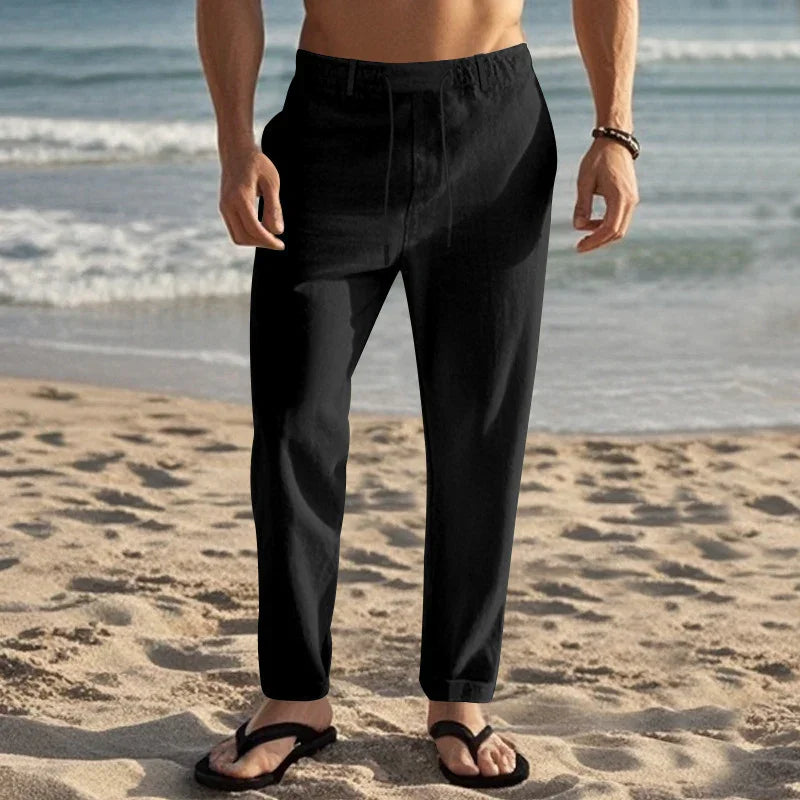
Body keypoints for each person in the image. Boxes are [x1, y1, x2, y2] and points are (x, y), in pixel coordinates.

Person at [194, 0, 639, 791]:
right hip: (329, 132)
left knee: (480, 431)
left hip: (491, 132)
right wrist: (235, 143)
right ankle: (296, 697)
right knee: (296, 422)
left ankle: (460, 699)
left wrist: (615, 130)